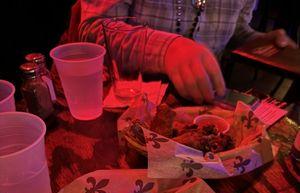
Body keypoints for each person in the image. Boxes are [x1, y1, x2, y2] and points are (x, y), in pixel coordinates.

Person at [78, 0, 297, 104]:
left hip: (202, 107)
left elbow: (232, 30)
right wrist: (167, 49)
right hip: (128, 103)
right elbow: (92, 29)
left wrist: (257, 39)